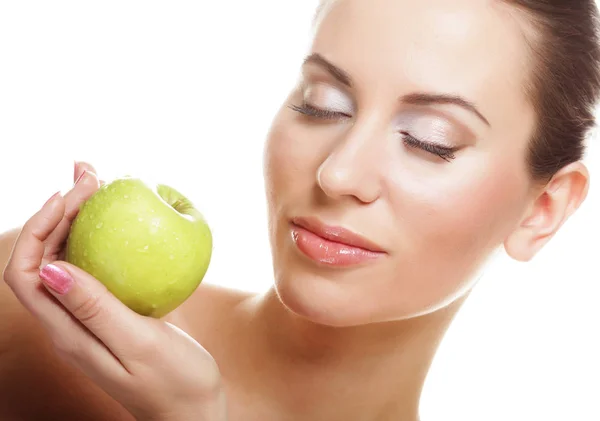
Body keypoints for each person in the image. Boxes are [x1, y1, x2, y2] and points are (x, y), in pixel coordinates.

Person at [2, 0, 600, 420]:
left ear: (542, 210)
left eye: (429, 139)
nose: (337, 173)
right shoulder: (32, 318)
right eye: (323, 104)